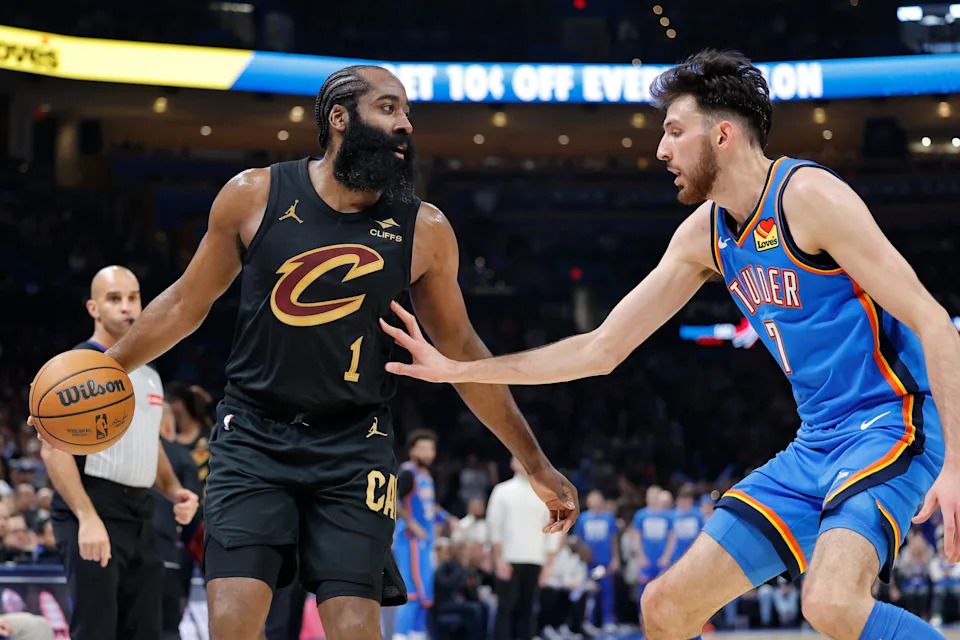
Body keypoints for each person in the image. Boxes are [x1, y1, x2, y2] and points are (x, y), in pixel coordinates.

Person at [381, 49, 960, 640]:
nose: (661, 150)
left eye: (675, 132)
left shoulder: (807, 197)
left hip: (894, 422)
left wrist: (958, 465)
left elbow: (935, 322)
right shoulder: (704, 233)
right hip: (815, 442)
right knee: (665, 607)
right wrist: (460, 368)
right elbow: (601, 347)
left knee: (832, 602)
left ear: (724, 135)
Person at [51, 66, 576, 640]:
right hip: (253, 434)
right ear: (339, 118)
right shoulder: (254, 194)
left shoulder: (424, 229)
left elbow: (466, 357)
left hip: (354, 445)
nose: (404, 124)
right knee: (232, 622)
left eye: (408, 115)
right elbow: (182, 306)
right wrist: (101, 375)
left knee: (354, 626)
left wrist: (535, 463)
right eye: (389, 108)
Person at [33, 266, 200, 640]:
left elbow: (148, 444)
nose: (126, 307)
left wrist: (174, 491)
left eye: (133, 297)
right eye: (114, 299)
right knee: (96, 631)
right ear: (93, 308)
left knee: (146, 631)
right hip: (92, 505)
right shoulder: (74, 368)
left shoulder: (150, 374)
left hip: (140, 512)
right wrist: (87, 518)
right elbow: (53, 452)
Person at [487, 458, 563, 640]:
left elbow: (553, 529)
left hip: (535, 559)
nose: (522, 462)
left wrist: (549, 565)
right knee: (505, 609)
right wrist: (499, 559)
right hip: (509, 559)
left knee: (528, 609)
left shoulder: (547, 493)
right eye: (518, 458)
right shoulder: (502, 491)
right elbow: (494, 526)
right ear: (512, 463)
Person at [393, 429, 454, 640]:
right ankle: (400, 636)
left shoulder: (426, 475)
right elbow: (392, 499)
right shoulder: (407, 472)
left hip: (426, 542)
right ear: (412, 451)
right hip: (410, 541)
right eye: (423, 448)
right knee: (411, 593)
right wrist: (411, 523)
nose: (428, 453)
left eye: (431, 448)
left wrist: (447, 518)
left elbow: (429, 506)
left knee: (425, 596)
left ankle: (417, 635)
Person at [574, 490, 619, 631]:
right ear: (588, 502)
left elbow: (614, 540)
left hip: (605, 560)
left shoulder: (609, 518)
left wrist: (615, 558)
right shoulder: (582, 519)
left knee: (607, 592)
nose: (595, 502)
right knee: (589, 593)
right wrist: (580, 560)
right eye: (592, 499)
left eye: (598, 499)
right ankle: (589, 622)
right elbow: (578, 541)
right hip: (588, 562)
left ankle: (608, 621)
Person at [630, 486, 673, 610]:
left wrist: (667, 556)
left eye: (656, 496)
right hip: (646, 559)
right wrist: (641, 556)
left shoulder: (668, 516)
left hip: (662, 559)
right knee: (644, 590)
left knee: (664, 589)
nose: (653, 499)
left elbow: (671, 538)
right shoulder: (640, 516)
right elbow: (636, 538)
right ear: (646, 498)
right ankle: (643, 618)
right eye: (651, 496)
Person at [670, 485, 704, 565]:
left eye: (687, 500)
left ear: (691, 501)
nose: (685, 503)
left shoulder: (698, 515)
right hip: (676, 555)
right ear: (678, 500)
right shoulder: (672, 516)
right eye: (682, 500)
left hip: (693, 553)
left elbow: (701, 533)